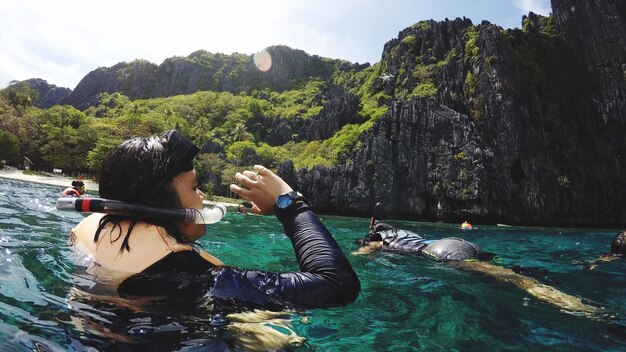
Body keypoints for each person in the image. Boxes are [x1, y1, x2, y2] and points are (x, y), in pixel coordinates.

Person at [69, 130, 360, 311]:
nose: (203, 196)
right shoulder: (197, 279)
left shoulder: (95, 231)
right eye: (195, 187)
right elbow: (337, 284)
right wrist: (290, 204)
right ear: (158, 202)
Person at [354, 203, 601, 317]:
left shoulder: (378, 238)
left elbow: (360, 258)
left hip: (442, 252)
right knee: (506, 270)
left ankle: (572, 303)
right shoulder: (403, 233)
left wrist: (359, 255)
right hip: (450, 242)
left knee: (513, 279)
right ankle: (557, 280)